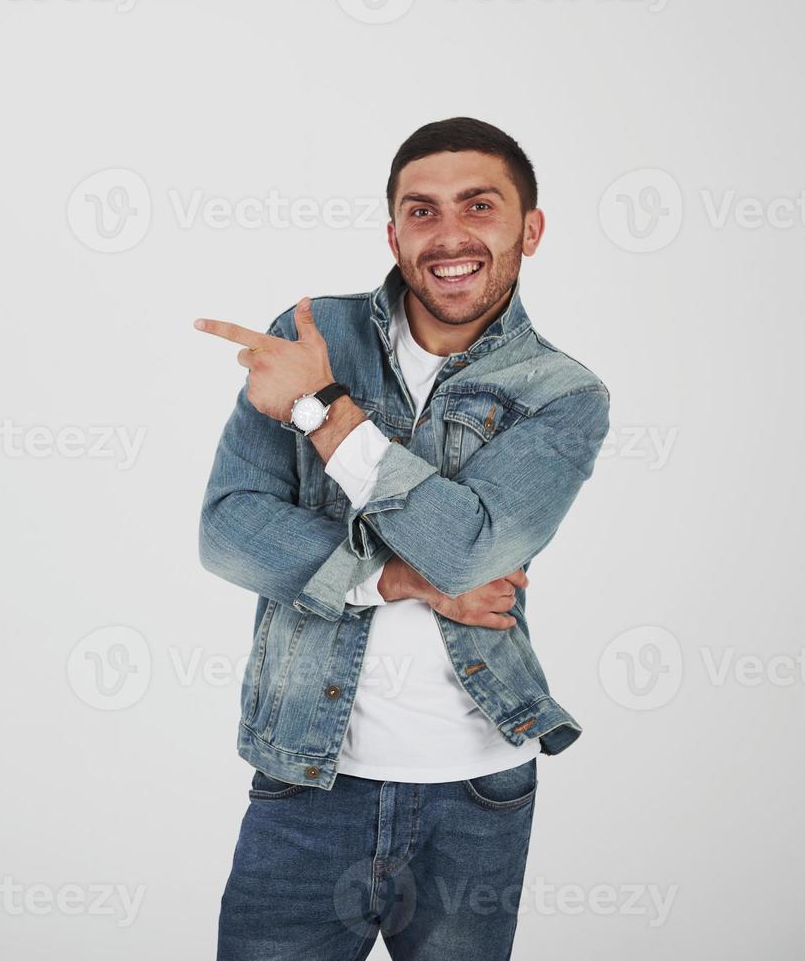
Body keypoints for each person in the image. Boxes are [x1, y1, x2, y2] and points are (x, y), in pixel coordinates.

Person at [194, 116, 611, 960]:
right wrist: (394, 579)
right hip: (306, 776)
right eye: (420, 211)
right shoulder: (314, 335)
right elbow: (227, 529)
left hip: (478, 794)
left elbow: (468, 550)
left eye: (479, 206)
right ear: (391, 232)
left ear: (529, 227)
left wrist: (320, 411)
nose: (448, 235)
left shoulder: (563, 395)